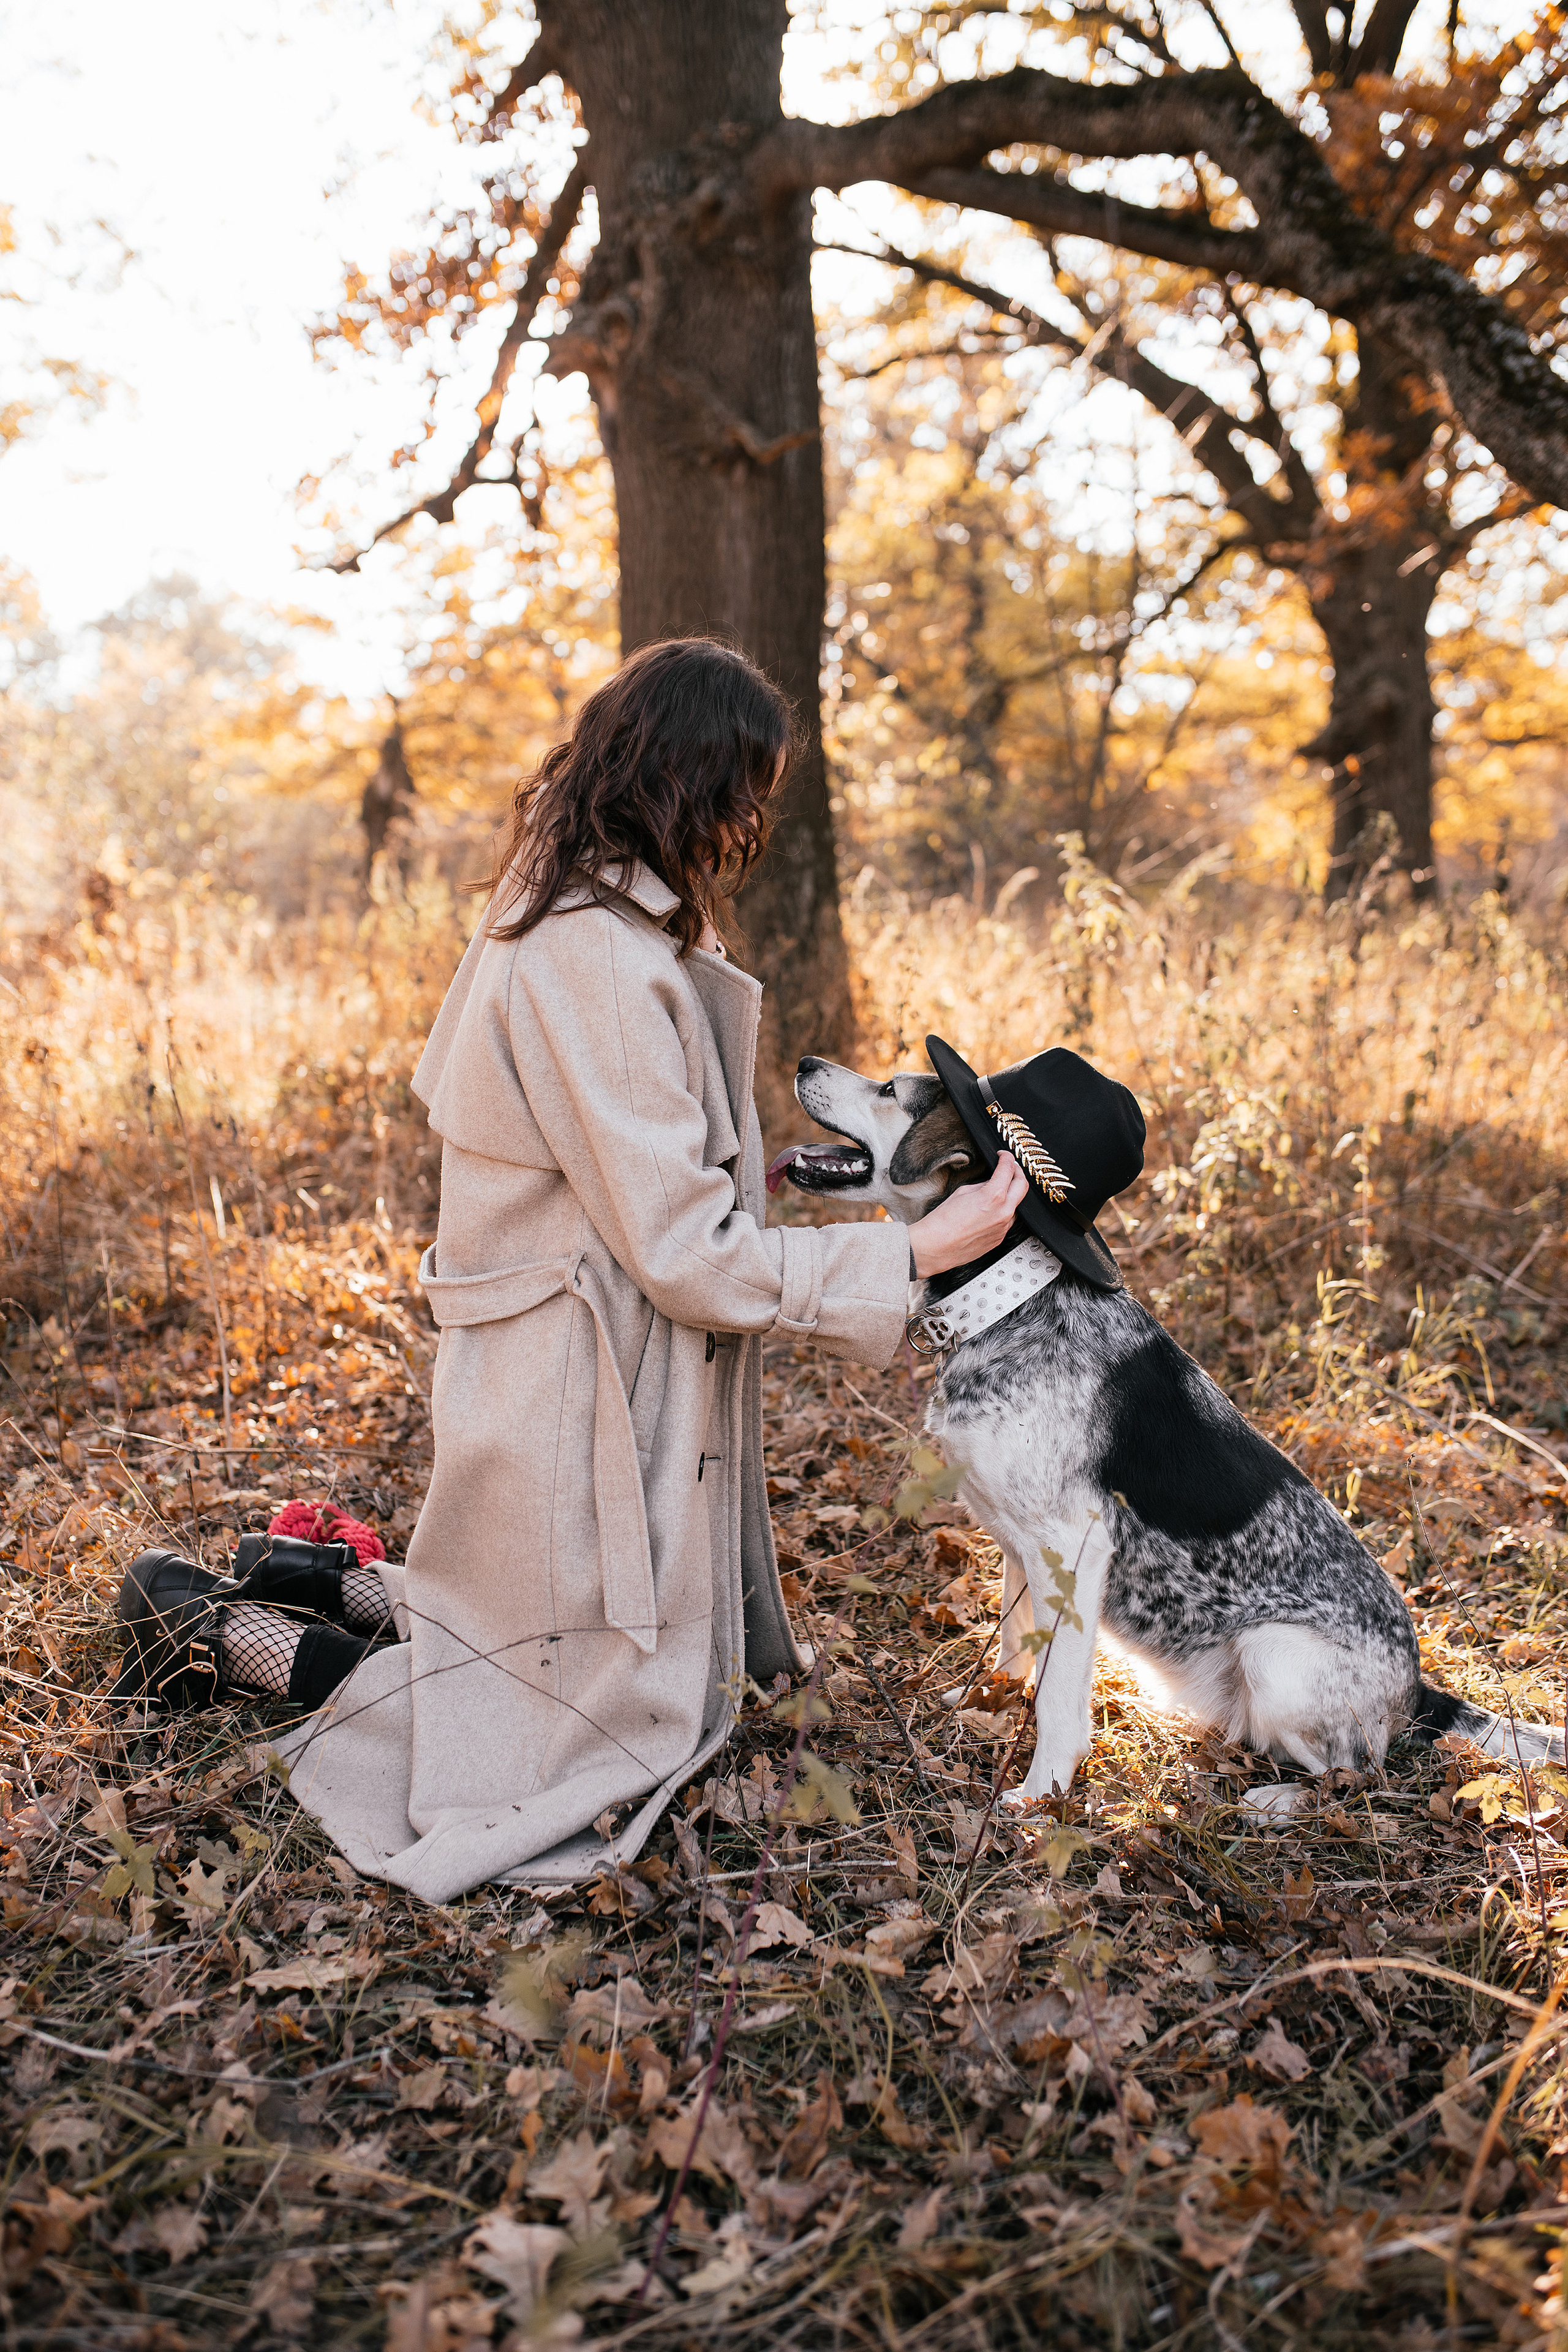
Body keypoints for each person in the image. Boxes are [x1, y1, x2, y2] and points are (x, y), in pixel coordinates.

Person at [113, 638, 1025, 1901]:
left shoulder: (556, 909)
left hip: (538, 1350)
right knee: (563, 1730)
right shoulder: (593, 955)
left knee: (542, 1637)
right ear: (690, 782)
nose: (749, 819)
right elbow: (683, 1260)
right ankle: (217, 1633)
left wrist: (705, 1177)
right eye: (743, 786)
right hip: (571, 1376)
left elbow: (583, 1157)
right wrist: (908, 1253)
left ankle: (319, 1580)